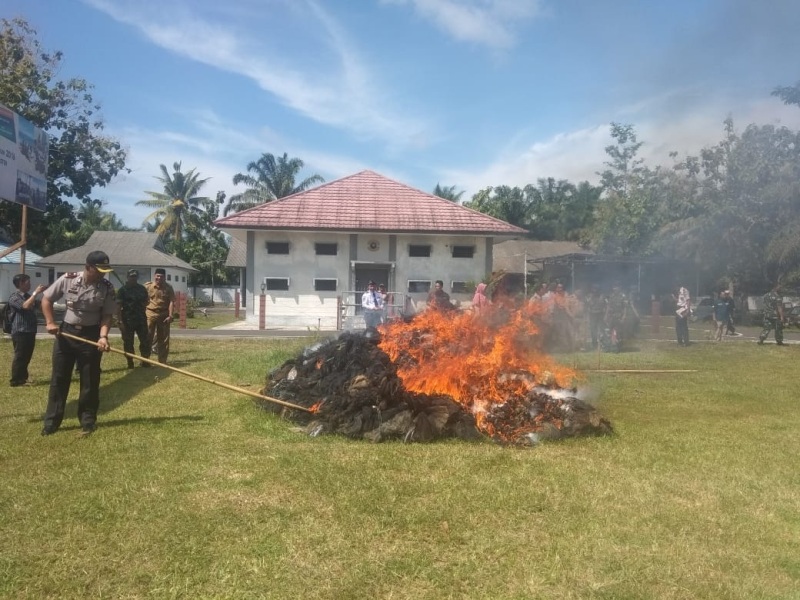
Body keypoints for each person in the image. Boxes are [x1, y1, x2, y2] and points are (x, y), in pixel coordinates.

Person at [40, 250, 116, 436]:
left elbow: (107, 315)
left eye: (105, 270)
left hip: (91, 335)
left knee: (90, 379)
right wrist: (50, 322)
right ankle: (52, 422)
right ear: (88, 267)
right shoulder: (68, 279)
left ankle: (88, 420)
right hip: (66, 334)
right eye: (99, 269)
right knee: (59, 378)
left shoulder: (106, 287)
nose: (102, 273)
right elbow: (46, 299)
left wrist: (103, 336)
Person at [8, 274, 48, 387]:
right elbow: (25, 306)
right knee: (20, 356)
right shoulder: (14, 297)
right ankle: (15, 380)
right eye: (27, 282)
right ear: (20, 283)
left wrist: (44, 294)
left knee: (26, 356)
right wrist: (35, 293)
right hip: (20, 331)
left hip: (30, 330)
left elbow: (39, 306)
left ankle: (23, 378)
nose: (30, 285)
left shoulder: (28, 296)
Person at [116, 269, 151, 368]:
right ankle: (130, 362)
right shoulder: (123, 290)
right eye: (131, 276)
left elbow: (146, 301)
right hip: (127, 320)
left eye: (135, 276)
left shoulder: (141, 289)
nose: (133, 278)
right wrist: (119, 321)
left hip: (141, 319)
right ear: (127, 277)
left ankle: (145, 360)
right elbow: (118, 306)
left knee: (145, 340)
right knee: (128, 342)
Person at [145, 268, 176, 364]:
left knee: (163, 339)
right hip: (150, 314)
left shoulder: (168, 287)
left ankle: (162, 361)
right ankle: (145, 360)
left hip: (164, 315)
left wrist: (170, 315)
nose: (159, 278)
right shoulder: (148, 286)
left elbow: (171, 301)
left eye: (161, 276)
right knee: (147, 337)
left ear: (164, 277)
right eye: (157, 276)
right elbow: (142, 300)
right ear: (154, 276)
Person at [585, 285, 606, 349]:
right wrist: (591, 297)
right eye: (594, 289)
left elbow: (603, 304)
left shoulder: (602, 296)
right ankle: (594, 344)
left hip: (600, 314)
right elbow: (589, 304)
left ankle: (602, 343)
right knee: (593, 330)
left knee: (602, 329)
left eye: (596, 289)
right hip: (592, 314)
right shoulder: (589, 296)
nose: (595, 290)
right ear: (592, 289)